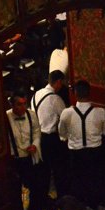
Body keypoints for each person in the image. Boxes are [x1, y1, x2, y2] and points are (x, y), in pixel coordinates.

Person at [58, 80, 105, 208]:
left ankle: (80, 206)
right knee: (95, 178)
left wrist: (69, 138)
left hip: (76, 154)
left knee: (78, 180)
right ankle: (95, 205)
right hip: (95, 152)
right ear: (90, 93)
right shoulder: (101, 112)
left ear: (75, 93)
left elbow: (62, 134)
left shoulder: (67, 113)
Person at [6, 90, 50, 210]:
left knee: (36, 188)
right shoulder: (6, 117)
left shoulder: (31, 115)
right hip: (15, 160)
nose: (23, 107)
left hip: (30, 158)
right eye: (19, 104)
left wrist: (35, 145)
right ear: (12, 104)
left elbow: (37, 131)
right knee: (15, 193)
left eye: (25, 103)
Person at [32, 70, 70, 199]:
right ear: (58, 82)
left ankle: (44, 199)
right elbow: (66, 118)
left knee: (44, 172)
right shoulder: (55, 99)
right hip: (51, 139)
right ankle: (63, 199)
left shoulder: (36, 95)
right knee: (60, 171)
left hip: (38, 137)